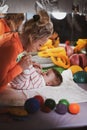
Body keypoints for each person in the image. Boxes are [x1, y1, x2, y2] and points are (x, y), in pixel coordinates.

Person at [0, 9, 53, 92]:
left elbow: (12, 61)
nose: (39, 49)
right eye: (40, 45)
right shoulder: (11, 47)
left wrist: (29, 64)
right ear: (32, 38)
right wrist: (20, 67)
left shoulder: (14, 39)